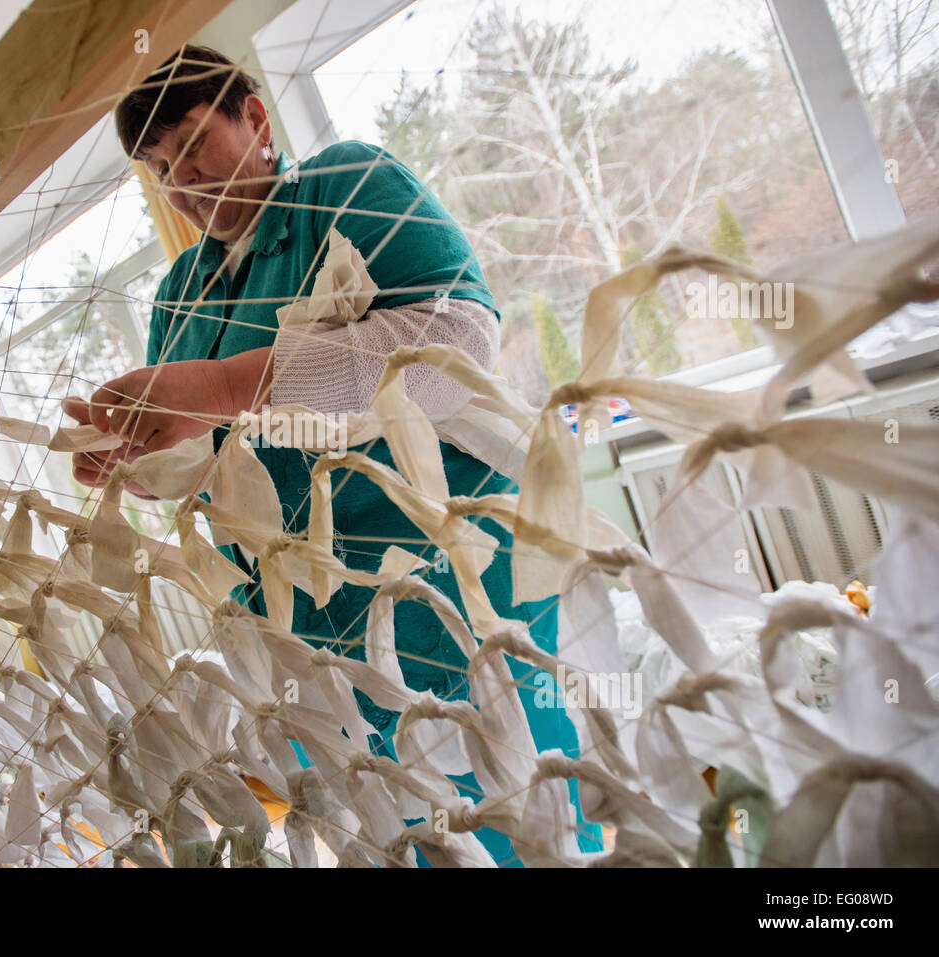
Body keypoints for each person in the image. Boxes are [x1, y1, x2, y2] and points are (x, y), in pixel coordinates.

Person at [63, 45, 602, 865]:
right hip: (305, 621)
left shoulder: (345, 183)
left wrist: (221, 384)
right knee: (393, 810)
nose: (183, 184)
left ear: (254, 115)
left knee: (514, 788)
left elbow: (456, 344)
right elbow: (207, 459)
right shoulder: (180, 292)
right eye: (162, 168)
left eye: (194, 145)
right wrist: (134, 460)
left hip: (443, 567)